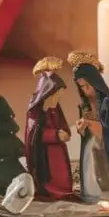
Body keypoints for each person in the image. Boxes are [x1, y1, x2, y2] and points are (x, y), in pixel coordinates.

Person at [68, 51, 109, 203]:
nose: (85, 90)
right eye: (81, 87)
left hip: (105, 147)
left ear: (95, 82)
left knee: (104, 170)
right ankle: (91, 193)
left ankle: (108, 194)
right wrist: (81, 125)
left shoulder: (108, 103)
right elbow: (85, 123)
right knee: (90, 169)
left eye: (87, 85)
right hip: (90, 144)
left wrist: (89, 123)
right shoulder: (85, 104)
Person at [25, 57, 73, 201]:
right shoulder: (35, 112)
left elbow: (62, 123)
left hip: (58, 149)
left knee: (62, 172)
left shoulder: (55, 108)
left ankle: (64, 190)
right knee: (52, 173)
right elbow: (35, 135)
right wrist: (55, 135)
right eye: (56, 96)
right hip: (45, 153)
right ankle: (50, 190)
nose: (58, 99)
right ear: (46, 94)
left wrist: (66, 132)